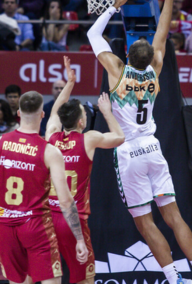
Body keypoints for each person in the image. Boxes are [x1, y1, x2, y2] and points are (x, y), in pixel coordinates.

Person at [86, 0, 192, 284]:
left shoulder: (116, 71)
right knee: (175, 217)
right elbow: (163, 32)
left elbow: (93, 35)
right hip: (154, 149)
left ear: (126, 54)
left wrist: (114, 7)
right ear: (150, 56)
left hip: (128, 151)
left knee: (145, 224)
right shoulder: (154, 72)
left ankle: (174, 278)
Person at [0, 91, 89, 284]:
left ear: (18, 112)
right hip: (36, 225)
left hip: (6, 225)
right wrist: (80, 239)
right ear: (42, 114)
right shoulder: (49, 151)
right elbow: (65, 200)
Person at [45, 56, 125, 284]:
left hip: (47, 217)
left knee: (50, 277)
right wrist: (107, 112)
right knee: (84, 279)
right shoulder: (88, 139)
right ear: (82, 122)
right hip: (73, 219)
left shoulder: (51, 137)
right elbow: (119, 137)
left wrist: (70, 83)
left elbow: (55, 113)